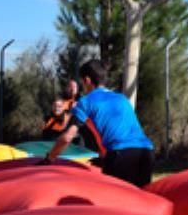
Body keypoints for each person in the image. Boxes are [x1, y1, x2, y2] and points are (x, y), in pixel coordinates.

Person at [44, 59, 155, 187]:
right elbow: (113, 131)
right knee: (139, 197)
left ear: (87, 80)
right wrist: (103, 158)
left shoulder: (86, 102)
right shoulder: (121, 98)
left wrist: (48, 159)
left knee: (113, 198)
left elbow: (67, 137)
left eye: (82, 83)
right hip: (146, 152)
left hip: (120, 154)